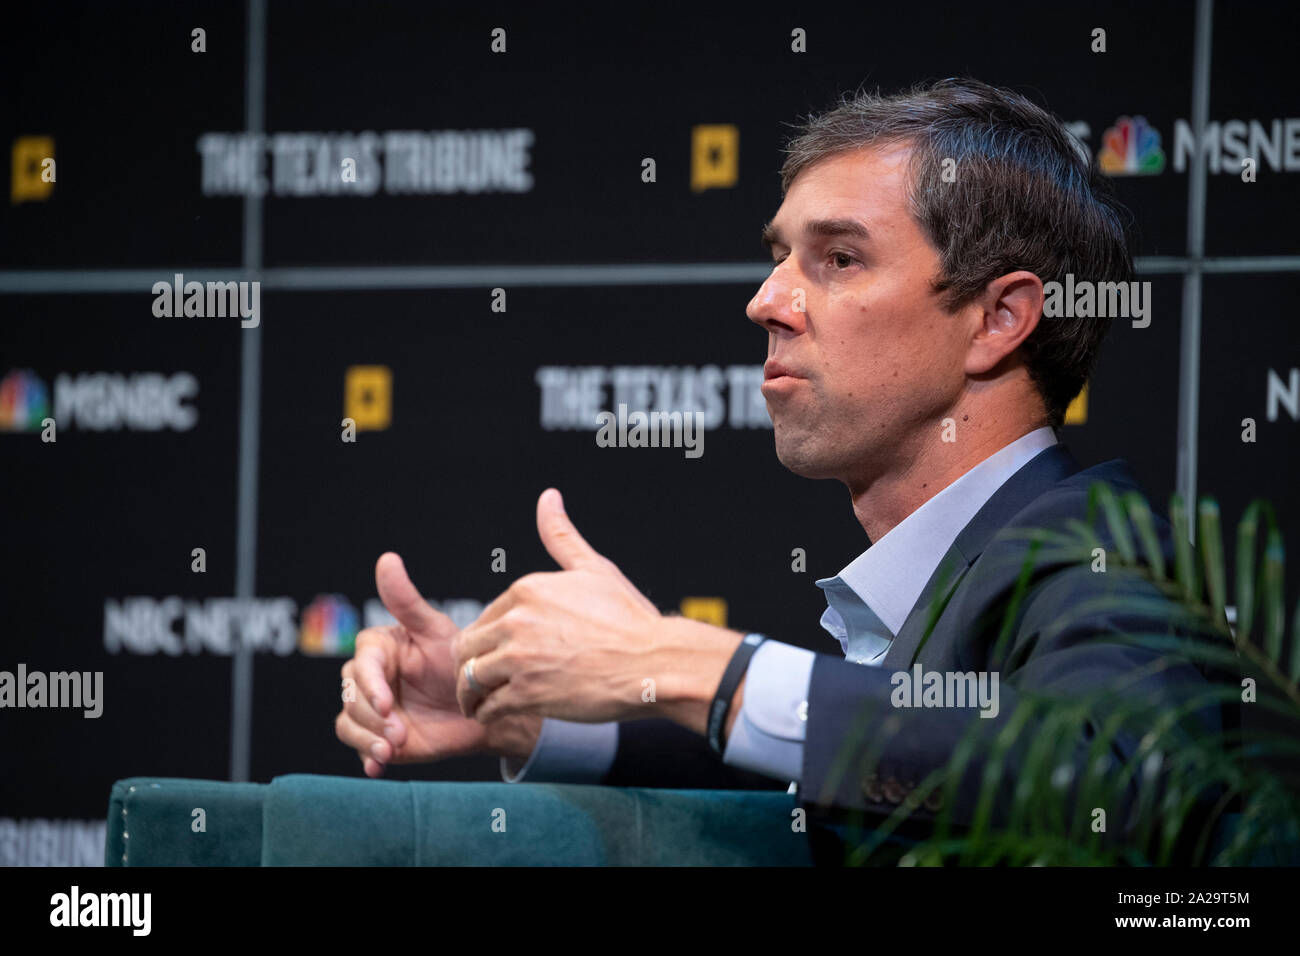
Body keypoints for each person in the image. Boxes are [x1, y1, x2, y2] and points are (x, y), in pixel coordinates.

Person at [334, 78, 1229, 849]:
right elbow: (869, 799)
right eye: (779, 259)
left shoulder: (1106, 554)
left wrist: (683, 661)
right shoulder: (972, 574)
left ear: (999, 321)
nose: (767, 301)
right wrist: (530, 712)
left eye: (838, 259)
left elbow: (1121, 787)